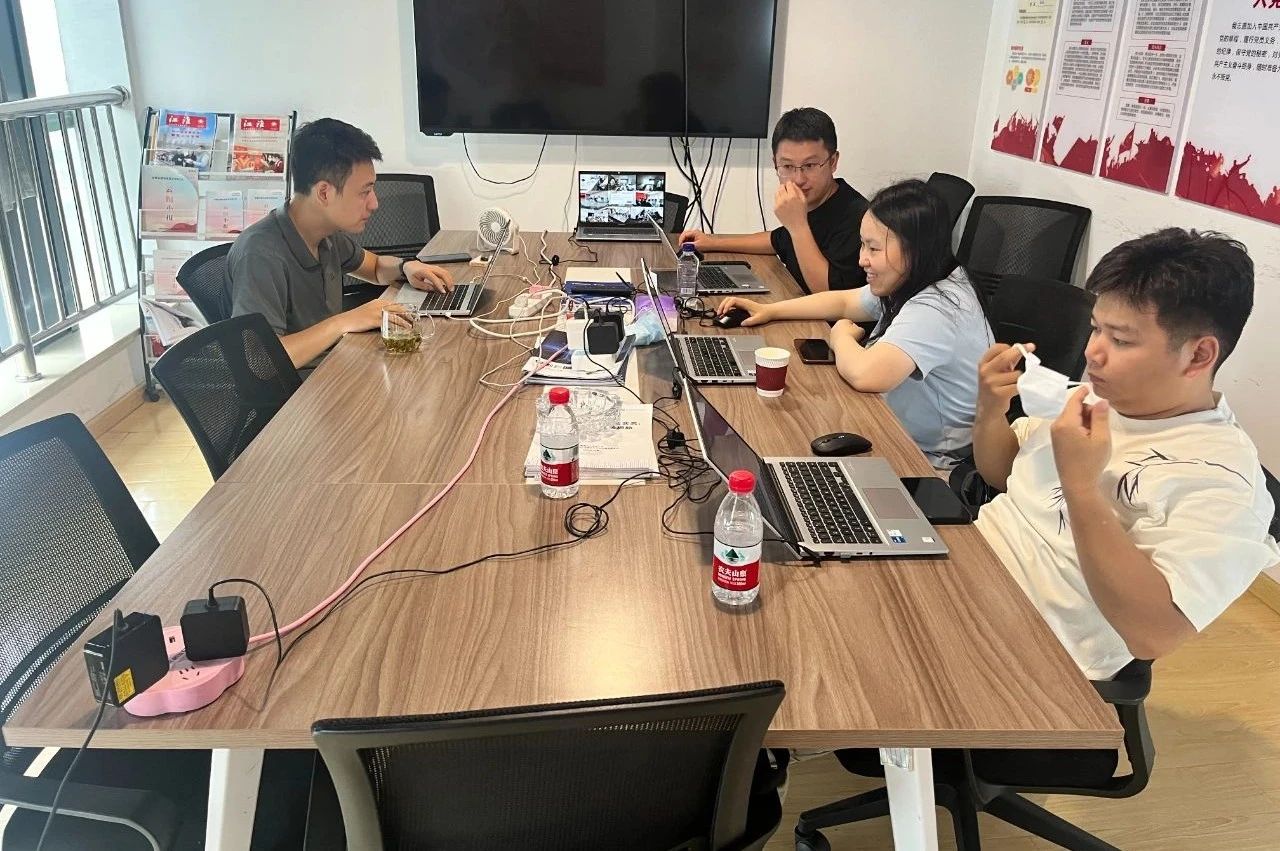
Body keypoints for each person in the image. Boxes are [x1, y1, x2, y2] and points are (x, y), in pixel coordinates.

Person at [974, 228, 1279, 679]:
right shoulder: (1092, 399)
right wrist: (989, 412)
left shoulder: (1222, 482)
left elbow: (1153, 634)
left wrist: (1081, 487)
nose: (1091, 352)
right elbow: (1002, 475)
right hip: (969, 568)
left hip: (1029, 651)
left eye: (1120, 340)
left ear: (1198, 355)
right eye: (1096, 328)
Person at [718, 179, 993, 467]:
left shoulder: (939, 308)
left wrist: (840, 336)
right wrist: (770, 310)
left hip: (924, 461)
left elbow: (865, 374)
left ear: (914, 249)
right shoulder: (918, 274)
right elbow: (844, 302)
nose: (862, 259)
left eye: (873, 248)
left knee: (780, 435)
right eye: (863, 245)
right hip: (889, 425)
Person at [229, 118, 454, 369]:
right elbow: (261, 360)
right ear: (324, 193)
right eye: (364, 192)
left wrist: (406, 268)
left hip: (336, 364)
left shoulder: (326, 234)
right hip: (302, 388)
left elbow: (375, 268)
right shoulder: (260, 253)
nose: (374, 203)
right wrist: (344, 321)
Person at [679, 107, 867, 293]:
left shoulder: (858, 217)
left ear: (833, 162)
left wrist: (798, 225)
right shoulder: (813, 204)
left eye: (810, 165)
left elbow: (828, 293)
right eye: (787, 166)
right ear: (775, 163)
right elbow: (776, 240)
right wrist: (712, 242)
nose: (799, 179)